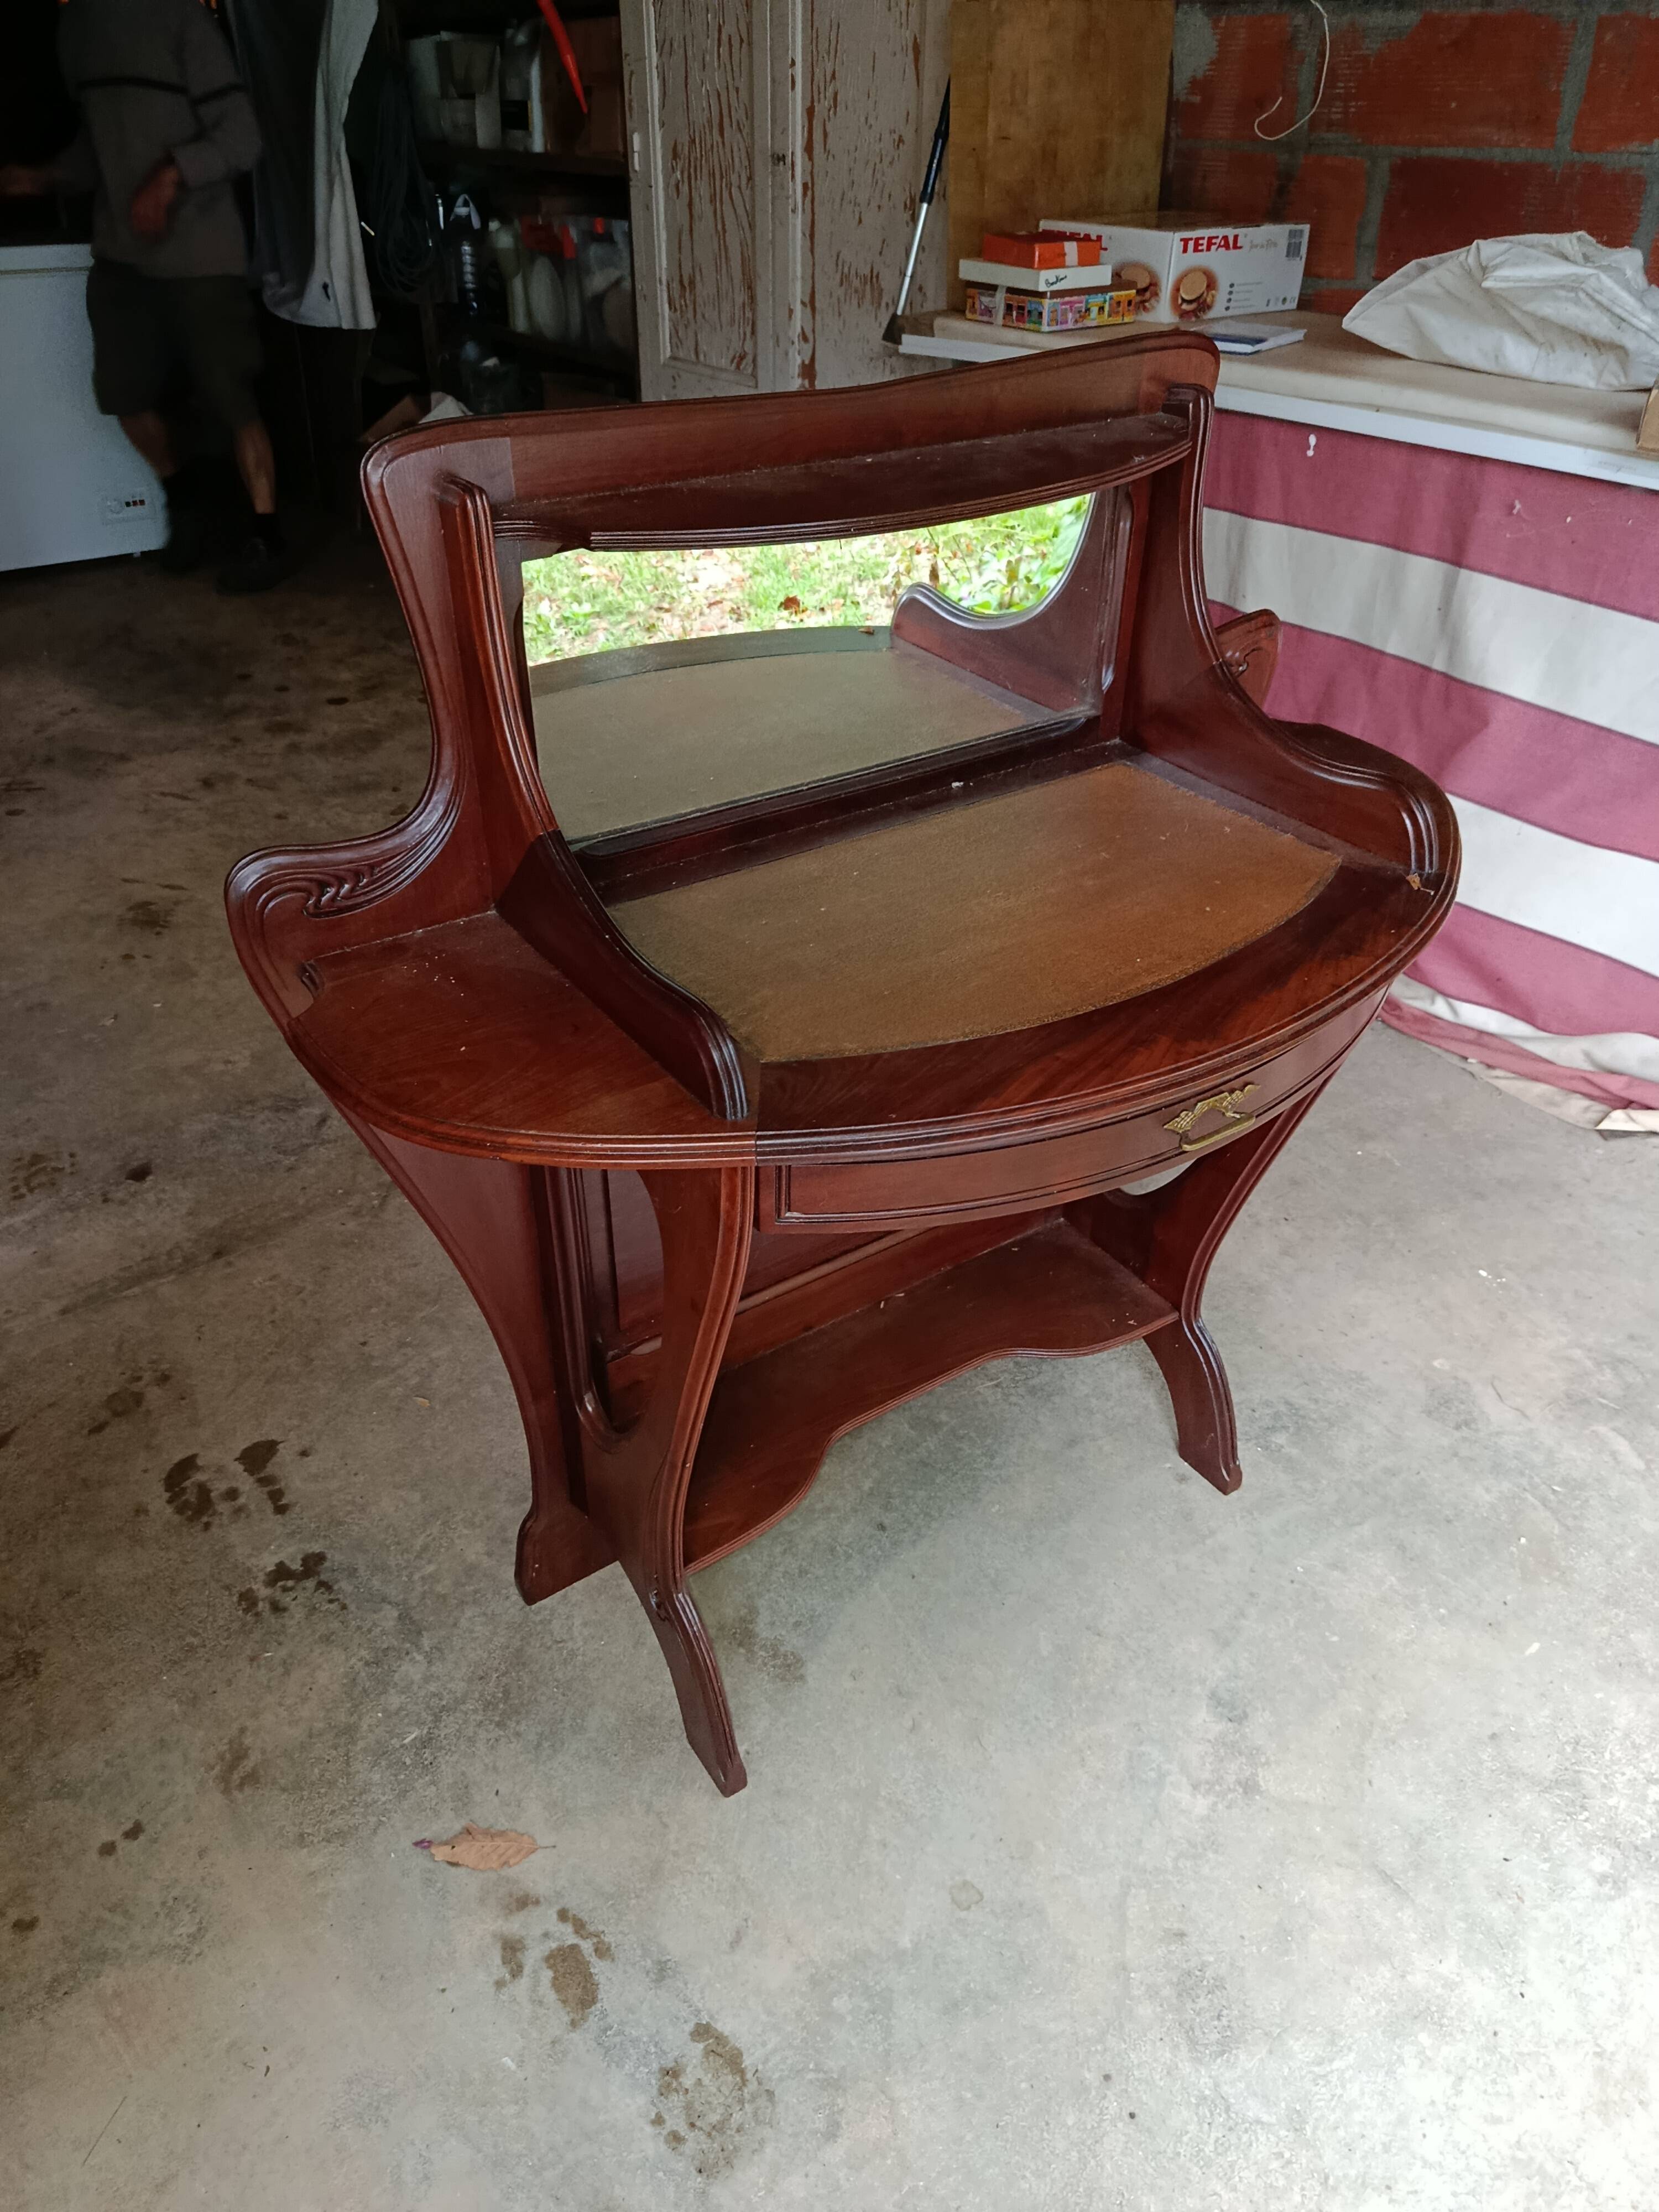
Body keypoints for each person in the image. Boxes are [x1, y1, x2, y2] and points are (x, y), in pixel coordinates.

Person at [1, 0, 295, 592]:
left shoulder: (183, 20)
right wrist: (46, 177)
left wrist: (169, 177)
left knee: (230, 394)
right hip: (121, 253)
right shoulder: (77, 29)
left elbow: (241, 136)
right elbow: (103, 140)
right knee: (122, 392)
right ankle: (185, 501)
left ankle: (266, 532)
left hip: (202, 251)